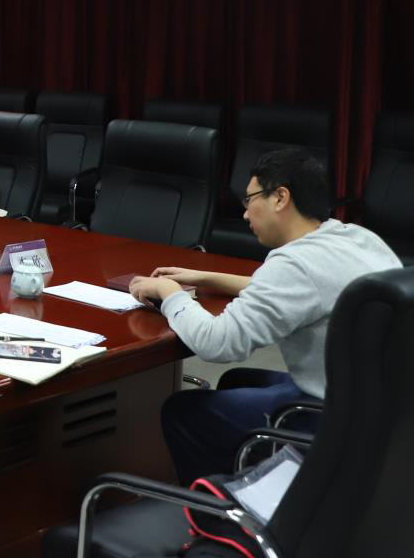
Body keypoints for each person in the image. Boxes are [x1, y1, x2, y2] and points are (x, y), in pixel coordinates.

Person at [130, 148, 400, 484]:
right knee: (237, 380)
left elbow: (217, 344)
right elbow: (305, 290)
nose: (245, 214)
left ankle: (219, 505)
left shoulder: (294, 264)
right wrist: (205, 277)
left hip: (333, 417)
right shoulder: (355, 238)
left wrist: (170, 294)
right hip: (384, 408)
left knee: (183, 411)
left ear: (280, 198)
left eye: (250, 200)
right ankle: (256, 474)